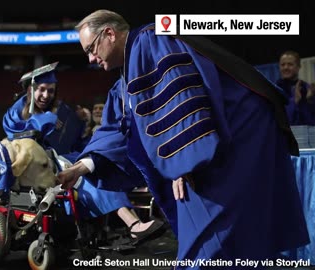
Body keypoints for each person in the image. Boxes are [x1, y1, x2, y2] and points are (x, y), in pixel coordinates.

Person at [57, 9, 309, 266]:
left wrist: (183, 162)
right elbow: (122, 130)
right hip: (209, 149)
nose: (90, 58)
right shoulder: (127, 77)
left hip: (241, 133)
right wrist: (81, 167)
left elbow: (181, 97)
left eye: (91, 48)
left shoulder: (152, 40)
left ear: (109, 33)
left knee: (214, 236)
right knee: (226, 235)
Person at [3, 63, 164, 243]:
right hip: (40, 166)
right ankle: (133, 224)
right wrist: (46, 122)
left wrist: (80, 125)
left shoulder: (60, 110)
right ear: (30, 90)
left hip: (66, 158)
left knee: (95, 168)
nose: (46, 95)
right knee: (85, 177)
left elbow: (74, 142)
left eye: (51, 90)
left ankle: (129, 224)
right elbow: (19, 141)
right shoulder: (16, 112)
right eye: (41, 90)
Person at [276, 50, 315, 125]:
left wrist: (310, 101)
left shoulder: (307, 89)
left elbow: (311, 124)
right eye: (282, 64)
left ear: (298, 67)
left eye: (290, 64)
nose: (286, 67)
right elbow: (279, 121)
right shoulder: (274, 90)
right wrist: (294, 101)